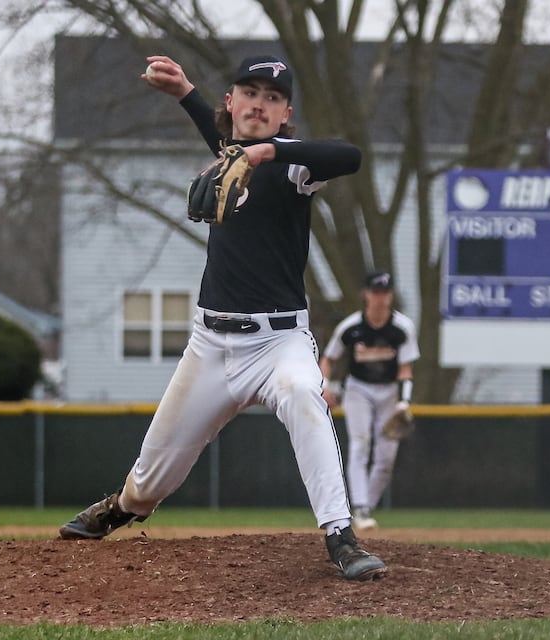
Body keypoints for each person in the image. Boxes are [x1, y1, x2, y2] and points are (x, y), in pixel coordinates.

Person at [58, 53, 387, 581]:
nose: (260, 103)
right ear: (230, 102)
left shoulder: (295, 166)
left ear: (286, 114)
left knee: (304, 394)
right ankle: (123, 507)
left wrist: (266, 151)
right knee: (151, 473)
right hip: (210, 346)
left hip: (279, 342)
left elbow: (349, 155)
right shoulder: (228, 157)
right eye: (250, 93)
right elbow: (228, 147)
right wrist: (187, 91)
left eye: (273, 98)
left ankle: (340, 536)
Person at [319, 271, 420, 530]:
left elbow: (405, 369)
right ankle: (361, 507)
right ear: (366, 294)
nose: (380, 298)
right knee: (360, 444)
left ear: (391, 295)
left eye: (384, 292)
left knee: (386, 457)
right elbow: (329, 359)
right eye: (375, 292)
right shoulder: (352, 327)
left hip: (389, 392)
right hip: (358, 389)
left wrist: (404, 402)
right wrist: (325, 386)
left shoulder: (402, 328)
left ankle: (365, 511)